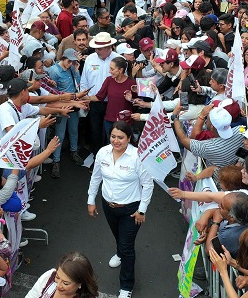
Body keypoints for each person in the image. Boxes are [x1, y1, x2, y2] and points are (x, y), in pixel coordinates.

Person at [87, 121, 153, 298]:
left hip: (131, 210)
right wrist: (90, 200)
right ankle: (119, 252)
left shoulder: (137, 156)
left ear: (129, 138)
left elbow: (147, 185)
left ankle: (126, 286)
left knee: (127, 246)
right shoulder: (103, 152)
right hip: (108, 206)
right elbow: (96, 178)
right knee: (118, 237)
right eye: (113, 136)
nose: (116, 141)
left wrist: (142, 210)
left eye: (120, 137)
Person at [24, 251, 99, 298]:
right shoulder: (49, 275)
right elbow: (32, 295)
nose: (58, 285)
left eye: (65, 283)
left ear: (80, 283)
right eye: (57, 277)